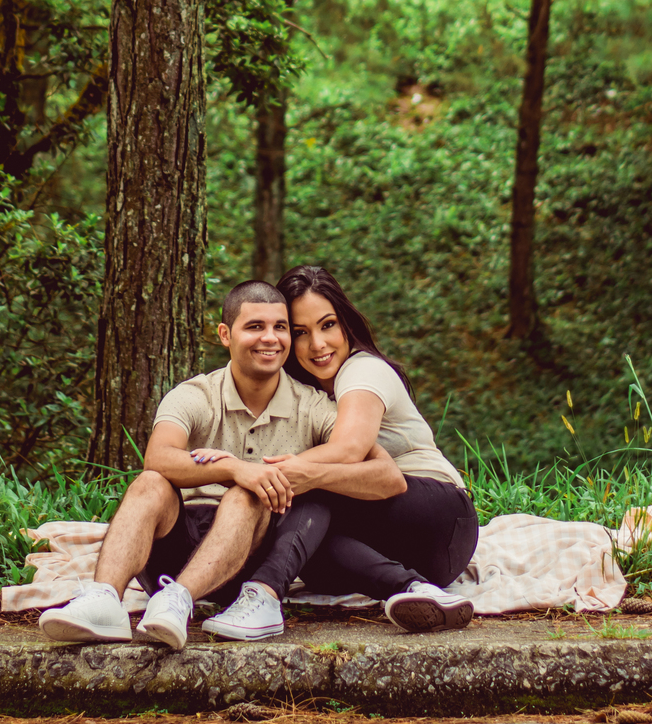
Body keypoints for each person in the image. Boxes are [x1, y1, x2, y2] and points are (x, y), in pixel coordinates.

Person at [38, 278, 406, 650]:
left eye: (280, 327)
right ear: (225, 335)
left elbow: (386, 475)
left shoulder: (313, 407)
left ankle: (178, 601)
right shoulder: (195, 395)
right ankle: (103, 601)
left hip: (244, 559)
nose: (271, 338)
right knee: (150, 482)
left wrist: (296, 473)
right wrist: (233, 469)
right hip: (171, 552)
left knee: (247, 495)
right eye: (255, 327)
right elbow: (159, 456)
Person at [200, 264, 478, 639]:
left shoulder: (363, 371)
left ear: (345, 323)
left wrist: (253, 470)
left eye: (327, 324)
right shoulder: (301, 397)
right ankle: (412, 590)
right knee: (303, 542)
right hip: (416, 560)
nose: (317, 344)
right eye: (300, 332)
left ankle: (263, 595)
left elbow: (349, 449)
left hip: (437, 517)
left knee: (306, 488)